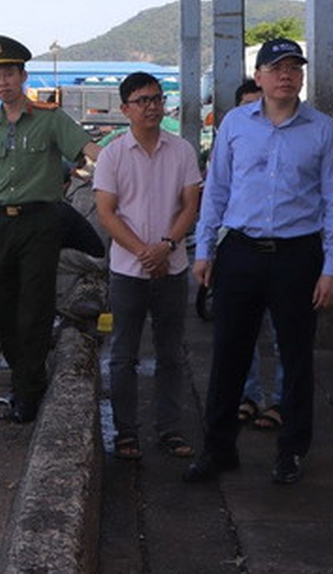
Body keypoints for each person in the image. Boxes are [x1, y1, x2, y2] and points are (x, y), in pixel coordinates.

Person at [183, 38, 333, 485]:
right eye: (276, 68)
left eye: (294, 68)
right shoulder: (235, 124)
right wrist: (205, 249)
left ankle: (291, 450)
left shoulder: (323, 129)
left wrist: (332, 266)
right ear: (259, 76)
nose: (286, 76)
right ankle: (218, 448)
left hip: (298, 254)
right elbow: (216, 189)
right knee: (228, 354)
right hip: (241, 251)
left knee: (296, 357)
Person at [0, 34, 101, 423]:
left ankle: (28, 393)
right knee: (5, 308)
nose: (3, 82)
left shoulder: (49, 118)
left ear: (23, 76)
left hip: (41, 222)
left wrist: (127, 165)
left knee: (35, 309)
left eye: (9, 74)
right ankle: (22, 379)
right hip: (1, 227)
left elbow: (90, 152)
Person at [94, 72, 202, 461]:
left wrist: (166, 246)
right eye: (142, 101)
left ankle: (169, 429)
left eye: (157, 99)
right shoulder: (112, 155)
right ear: (125, 109)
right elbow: (107, 213)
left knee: (171, 352)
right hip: (128, 270)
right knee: (123, 354)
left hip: (172, 267)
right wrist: (145, 252)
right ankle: (126, 433)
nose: (152, 107)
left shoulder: (182, 151)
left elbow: (190, 205)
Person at [231, 78, 284, 431]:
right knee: (243, 332)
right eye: (248, 105)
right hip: (242, 248)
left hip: (287, 252)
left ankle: (282, 401)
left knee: (285, 334)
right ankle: (249, 395)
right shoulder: (233, 138)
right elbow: (218, 190)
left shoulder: (298, 137)